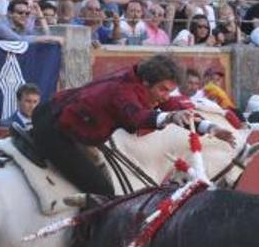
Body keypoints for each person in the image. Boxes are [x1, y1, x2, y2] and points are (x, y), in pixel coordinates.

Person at [31, 54, 236, 197]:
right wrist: (170, 118)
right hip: (54, 128)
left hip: (66, 118)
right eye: (163, 90)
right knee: (102, 190)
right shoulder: (122, 91)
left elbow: (172, 105)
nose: (166, 96)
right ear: (147, 82)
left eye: (169, 90)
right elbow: (138, 117)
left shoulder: (144, 81)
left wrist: (209, 129)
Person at [0, 0, 64, 43]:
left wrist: (39, 12)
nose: (24, 16)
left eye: (27, 13)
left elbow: (46, 34)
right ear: (10, 13)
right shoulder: (0, 25)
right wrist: (51, 38)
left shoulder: (22, 24)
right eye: (20, 12)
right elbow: (19, 40)